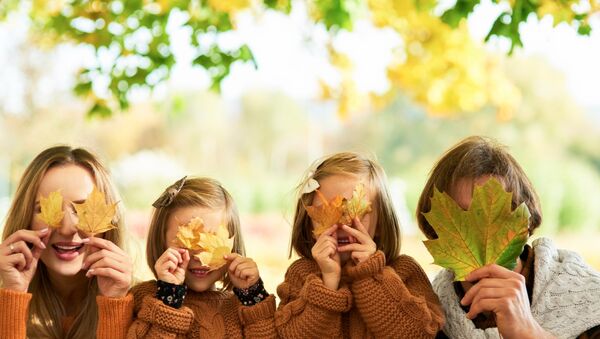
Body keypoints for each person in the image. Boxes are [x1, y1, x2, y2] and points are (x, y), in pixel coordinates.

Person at [416, 136, 600, 338]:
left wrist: (529, 332)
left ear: (524, 221)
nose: (479, 235)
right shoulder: (431, 314)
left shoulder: (588, 297)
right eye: (460, 220)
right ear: (435, 228)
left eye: (493, 216)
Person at [276, 152, 444, 338]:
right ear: (309, 224)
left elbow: (421, 334)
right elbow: (290, 335)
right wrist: (328, 283)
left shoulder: (405, 271)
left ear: (380, 223)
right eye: (327, 212)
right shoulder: (300, 274)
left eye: (354, 212)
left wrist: (370, 273)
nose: (341, 225)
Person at [0, 145, 133, 339]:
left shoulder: (144, 306)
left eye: (83, 210)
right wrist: (12, 296)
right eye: (48, 210)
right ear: (25, 219)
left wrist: (115, 304)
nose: (67, 228)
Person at [128, 177, 277, 338]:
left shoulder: (242, 308)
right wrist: (168, 299)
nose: (199, 256)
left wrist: (253, 296)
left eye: (212, 241)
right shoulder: (143, 298)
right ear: (161, 241)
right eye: (186, 241)